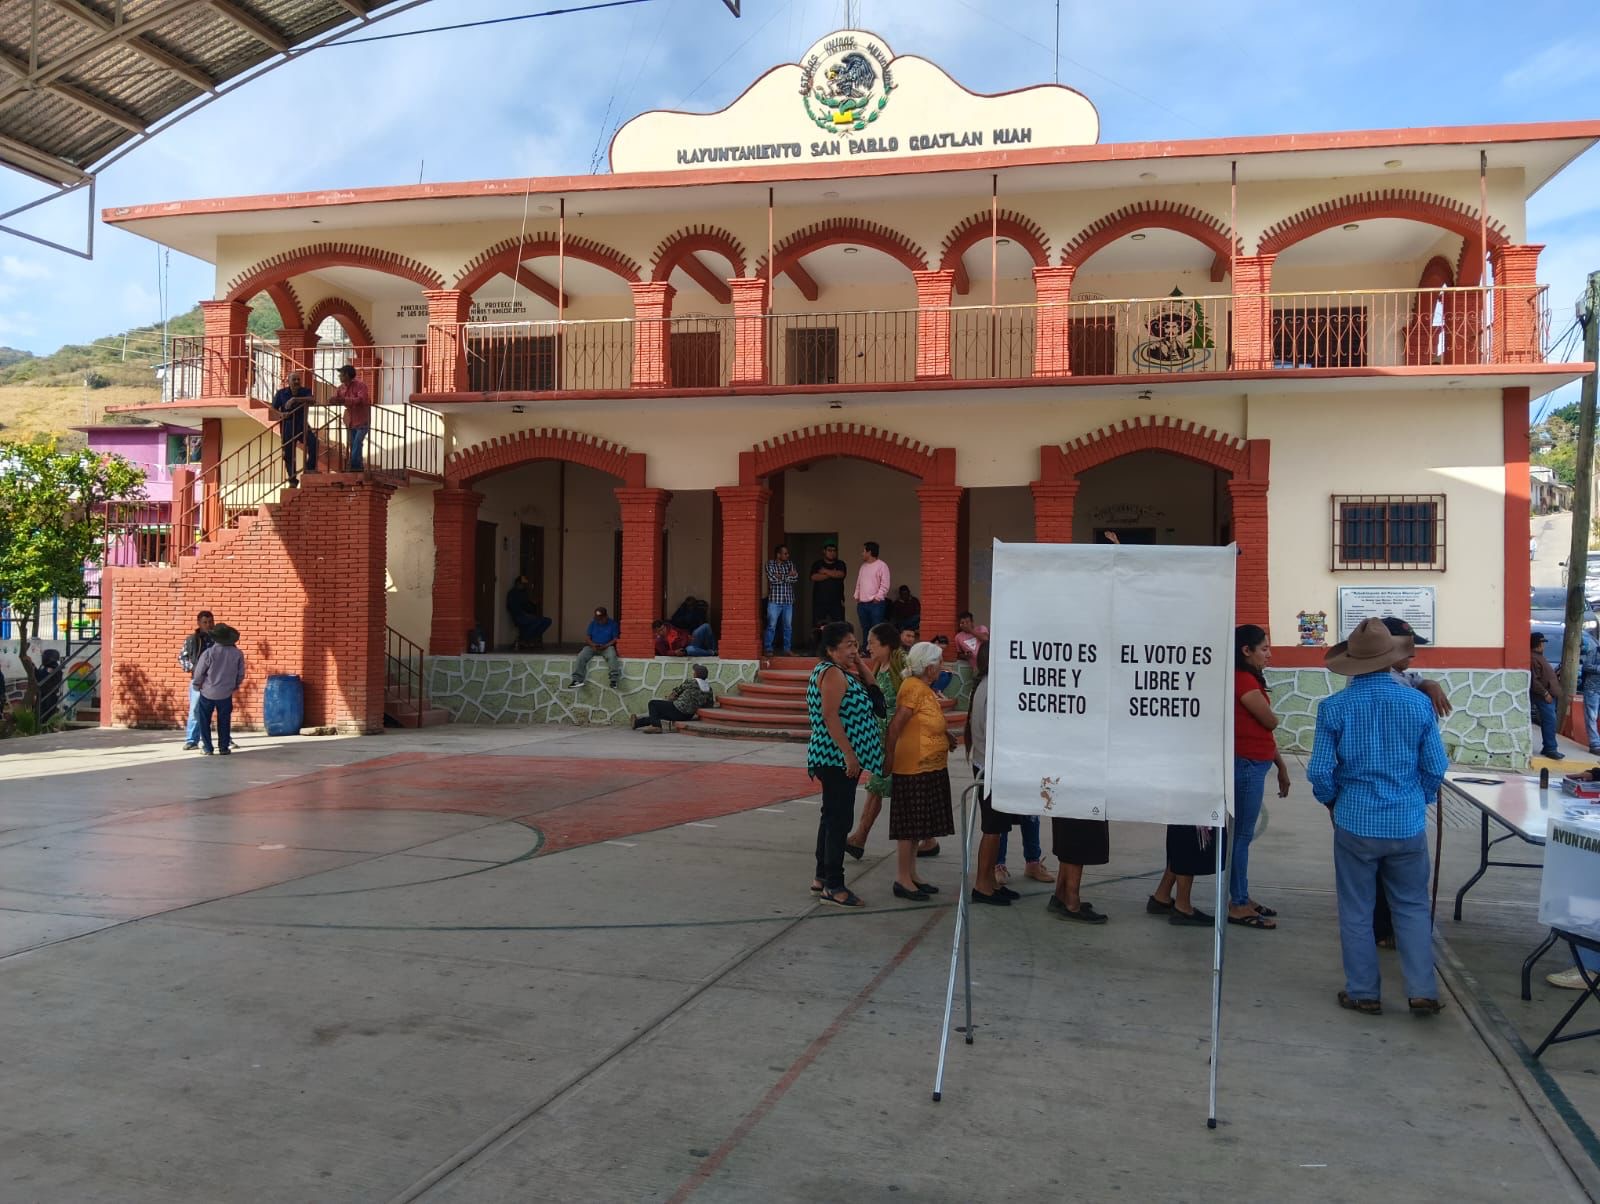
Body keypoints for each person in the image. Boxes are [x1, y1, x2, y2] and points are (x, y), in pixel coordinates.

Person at [1309, 617, 1448, 1017]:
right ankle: (1422, 990)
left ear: (1352, 662)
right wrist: (1418, 799)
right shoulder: (1418, 704)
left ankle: (1363, 992)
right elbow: (1436, 767)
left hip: (1355, 821)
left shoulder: (1334, 708)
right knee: (1412, 905)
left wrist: (1333, 802)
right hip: (1406, 823)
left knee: (1357, 908)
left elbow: (1319, 771)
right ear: (1391, 658)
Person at [806, 622, 885, 908]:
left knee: (831, 817)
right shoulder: (831, 674)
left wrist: (859, 663)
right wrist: (849, 755)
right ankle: (834, 885)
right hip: (834, 758)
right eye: (848, 645)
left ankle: (821, 877)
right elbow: (830, 716)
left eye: (856, 644)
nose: (855, 649)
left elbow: (876, 697)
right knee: (839, 821)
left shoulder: (840, 672)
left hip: (836, 757)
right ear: (831, 649)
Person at [1226, 624, 1292, 930]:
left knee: (1242, 836)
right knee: (1241, 837)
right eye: (1264, 648)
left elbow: (1263, 731)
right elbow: (1269, 721)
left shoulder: (1249, 679)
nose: (1269, 654)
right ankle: (1238, 903)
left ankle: (1242, 895)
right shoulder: (1242, 680)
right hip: (1247, 765)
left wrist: (1280, 765)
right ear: (1246, 650)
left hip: (1255, 763)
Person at [883, 642, 957, 902]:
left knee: (918, 825)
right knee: (909, 824)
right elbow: (896, 726)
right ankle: (902, 878)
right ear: (929, 667)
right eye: (939, 662)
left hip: (929, 766)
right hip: (913, 766)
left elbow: (925, 720)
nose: (943, 667)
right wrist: (888, 756)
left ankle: (912, 874)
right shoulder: (913, 687)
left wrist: (944, 734)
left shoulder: (924, 687)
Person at [844, 623, 903, 859]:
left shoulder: (901, 666)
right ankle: (928, 839)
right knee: (889, 788)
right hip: (880, 738)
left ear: (886, 644)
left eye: (872, 643)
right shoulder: (879, 666)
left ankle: (860, 837)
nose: (868, 647)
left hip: (895, 739)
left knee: (877, 786)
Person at [191, 623, 245, 756]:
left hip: (208, 692)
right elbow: (240, 674)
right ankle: (224, 747)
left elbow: (199, 673)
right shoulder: (237, 653)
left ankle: (208, 748)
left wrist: (197, 685)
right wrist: (235, 685)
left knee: (204, 720)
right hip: (226, 693)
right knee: (224, 721)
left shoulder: (208, 653)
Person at [632, 664, 715, 732]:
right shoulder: (709, 688)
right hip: (688, 715)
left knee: (653, 703)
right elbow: (709, 705)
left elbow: (676, 692)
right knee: (657, 714)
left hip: (678, 710)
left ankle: (657, 727)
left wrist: (669, 698)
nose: (693, 673)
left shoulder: (691, 681)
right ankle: (637, 723)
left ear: (696, 674)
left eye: (694, 672)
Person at [269, 371, 317, 487]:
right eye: (294, 379)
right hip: (288, 424)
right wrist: (281, 414)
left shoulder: (305, 391)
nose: (296, 381)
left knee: (313, 443)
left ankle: (309, 468)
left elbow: (312, 400)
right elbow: (273, 409)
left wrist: (295, 399)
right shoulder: (281, 393)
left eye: (298, 379)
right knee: (288, 453)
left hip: (302, 423)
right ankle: (292, 480)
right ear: (288, 381)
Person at [178, 609, 215, 750]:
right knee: (195, 710)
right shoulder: (191, 640)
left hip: (216, 681)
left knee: (221, 710)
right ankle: (192, 740)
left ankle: (226, 740)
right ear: (199, 623)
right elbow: (182, 657)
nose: (208, 625)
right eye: (205, 622)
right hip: (198, 681)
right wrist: (193, 668)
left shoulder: (219, 640)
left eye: (210, 622)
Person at [332, 363, 371, 472]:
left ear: (347, 375)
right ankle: (358, 467)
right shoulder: (341, 388)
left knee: (357, 443)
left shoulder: (360, 385)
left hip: (362, 420)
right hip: (350, 421)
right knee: (353, 444)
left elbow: (361, 399)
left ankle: (353, 466)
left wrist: (345, 400)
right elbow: (337, 399)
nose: (339, 376)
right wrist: (333, 400)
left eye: (341, 374)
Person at [571, 606, 621, 689]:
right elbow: (587, 638)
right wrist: (593, 644)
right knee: (581, 655)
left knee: (612, 655)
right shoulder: (593, 623)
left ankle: (613, 680)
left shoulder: (613, 624)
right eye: (597, 619)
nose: (599, 621)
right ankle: (577, 680)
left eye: (601, 619)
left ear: (606, 616)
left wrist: (605, 645)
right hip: (593, 646)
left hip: (606, 647)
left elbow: (615, 639)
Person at [1531, 632, 1563, 760]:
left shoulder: (1539, 657)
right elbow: (1534, 680)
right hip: (1543, 696)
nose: (1543, 645)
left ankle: (1548, 747)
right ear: (1538, 644)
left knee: (1549, 721)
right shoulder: (1534, 658)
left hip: (1549, 694)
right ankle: (1550, 748)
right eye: (1542, 643)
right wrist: (1545, 693)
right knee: (1550, 721)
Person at [764, 544, 799, 656]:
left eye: (787, 553)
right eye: (785, 553)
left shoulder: (790, 564)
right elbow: (772, 579)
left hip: (788, 600)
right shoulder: (770, 564)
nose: (788, 555)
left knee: (788, 626)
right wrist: (788, 576)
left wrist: (781, 576)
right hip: (775, 600)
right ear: (778, 554)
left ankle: (787, 649)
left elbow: (795, 578)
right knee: (771, 625)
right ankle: (768, 649)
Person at [854, 541, 891, 634]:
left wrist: (877, 598)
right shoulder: (863, 566)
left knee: (876, 630)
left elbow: (885, 584)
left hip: (876, 604)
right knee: (865, 629)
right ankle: (866, 644)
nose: (862, 553)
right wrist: (856, 595)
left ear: (869, 552)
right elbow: (859, 583)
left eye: (863, 551)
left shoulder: (882, 565)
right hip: (862, 604)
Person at [506, 575, 551, 650]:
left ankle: (530, 639)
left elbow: (528, 606)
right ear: (517, 583)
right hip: (519, 616)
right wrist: (525, 614)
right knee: (536, 621)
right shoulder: (512, 593)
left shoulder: (524, 593)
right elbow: (513, 608)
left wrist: (533, 604)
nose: (523, 586)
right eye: (522, 584)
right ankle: (523, 639)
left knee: (547, 621)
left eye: (524, 584)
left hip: (528, 616)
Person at [809, 543, 847, 631]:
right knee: (818, 627)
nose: (832, 553)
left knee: (839, 627)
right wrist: (832, 573)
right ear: (824, 551)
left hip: (837, 601)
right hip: (820, 601)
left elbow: (841, 574)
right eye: (829, 550)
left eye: (834, 551)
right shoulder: (817, 564)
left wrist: (825, 571)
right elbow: (814, 577)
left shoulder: (840, 563)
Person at [1580, 630, 1600, 756]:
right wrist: (1598, 668)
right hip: (1592, 689)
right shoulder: (1594, 651)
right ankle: (1595, 744)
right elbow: (1586, 666)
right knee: (1592, 717)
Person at [33, 649, 63, 726]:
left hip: (49, 696)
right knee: (39, 715)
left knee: (45, 717)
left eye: (44, 656)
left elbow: (42, 678)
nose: (43, 658)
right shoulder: (45, 667)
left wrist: (33, 667)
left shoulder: (53, 668)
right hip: (44, 695)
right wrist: (33, 666)